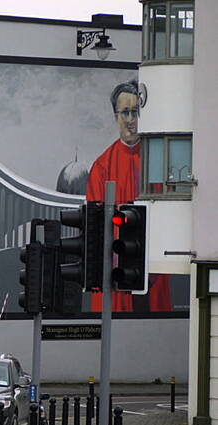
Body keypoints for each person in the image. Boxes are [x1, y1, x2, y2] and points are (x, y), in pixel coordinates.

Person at [86, 79, 171, 312]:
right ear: (115, 116)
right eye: (125, 113)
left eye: (136, 112)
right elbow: (94, 225)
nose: (131, 120)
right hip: (117, 266)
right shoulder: (102, 166)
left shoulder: (160, 158)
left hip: (154, 268)